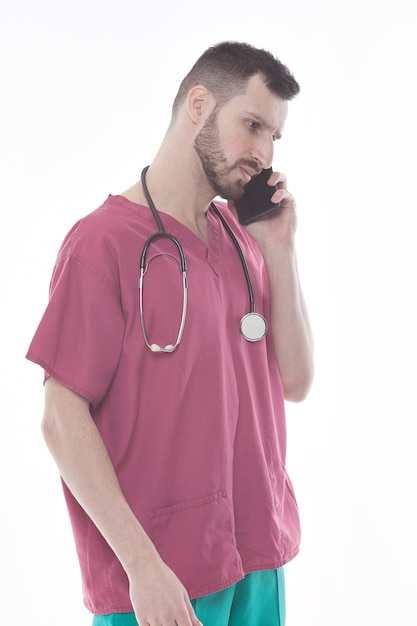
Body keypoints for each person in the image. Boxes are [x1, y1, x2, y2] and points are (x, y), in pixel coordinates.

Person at [26, 41, 314, 626]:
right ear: (199, 105)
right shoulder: (101, 245)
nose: (262, 152)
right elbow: (61, 418)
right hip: (163, 580)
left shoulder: (242, 238)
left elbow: (296, 381)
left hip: (258, 559)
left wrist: (279, 251)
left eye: (274, 137)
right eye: (252, 124)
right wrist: (142, 566)